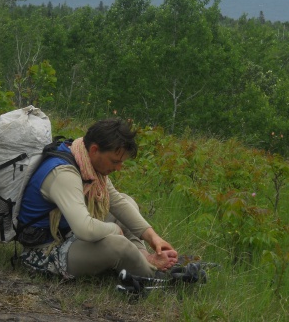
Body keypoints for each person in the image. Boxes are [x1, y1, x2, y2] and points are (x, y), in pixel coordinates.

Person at [17, 118, 178, 279]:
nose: (118, 168)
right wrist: (113, 230)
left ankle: (142, 257)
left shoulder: (82, 158)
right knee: (119, 246)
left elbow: (117, 202)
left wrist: (153, 237)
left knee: (127, 200)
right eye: (115, 161)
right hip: (44, 251)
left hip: (68, 234)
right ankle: (156, 276)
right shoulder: (64, 173)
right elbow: (85, 229)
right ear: (94, 150)